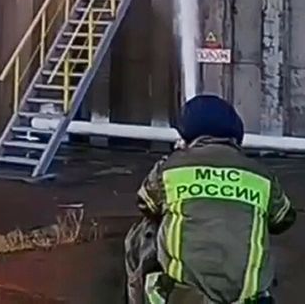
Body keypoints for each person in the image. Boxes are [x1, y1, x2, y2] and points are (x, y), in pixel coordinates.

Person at [124, 94, 296, 304]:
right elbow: (284, 219)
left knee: (143, 232)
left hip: (184, 298)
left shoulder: (169, 168)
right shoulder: (261, 175)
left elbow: (145, 204)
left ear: (187, 136)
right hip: (248, 299)